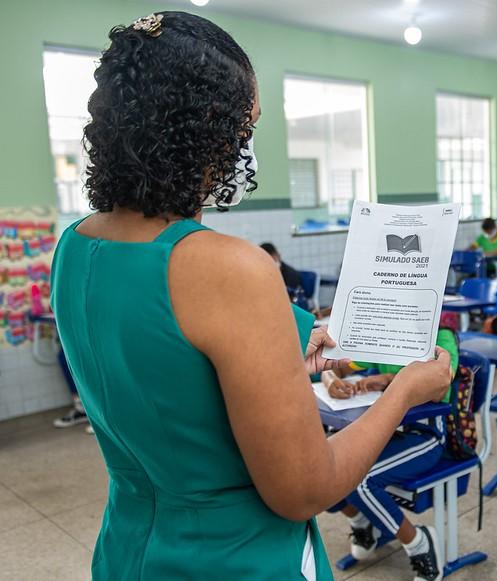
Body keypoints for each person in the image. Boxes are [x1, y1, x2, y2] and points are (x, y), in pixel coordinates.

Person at [50, 12, 451, 580]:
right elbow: (304, 490)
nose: (247, 149)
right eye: (246, 127)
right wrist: (406, 389)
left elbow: (168, 372)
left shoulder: (75, 245)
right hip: (237, 556)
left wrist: (282, 348)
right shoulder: (229, 267)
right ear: (200, 129)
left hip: (130, 548)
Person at [322, 322, 459, 580]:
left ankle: (419, 542)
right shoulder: (384, 331)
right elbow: (336, 364)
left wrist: (388, 380)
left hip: (424, 437)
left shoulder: (441, 336)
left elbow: (441, 380)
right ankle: (364, 522)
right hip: (387, 435)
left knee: (360, 480)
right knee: (326, 467)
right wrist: (331, 379)